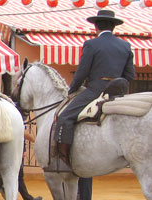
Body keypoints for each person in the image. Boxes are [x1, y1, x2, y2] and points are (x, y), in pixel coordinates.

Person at [53, 11, 135, 199]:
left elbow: (82, 72)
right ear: (113, 27)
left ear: (96, 26)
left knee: (65, 116)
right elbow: (130, 75)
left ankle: (65, 159)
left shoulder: (91, 44)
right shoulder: (125, 45)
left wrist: (72, 89)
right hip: (118, 92)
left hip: (95, 90)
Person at [0, 133, 42, 200]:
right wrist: (35, 140)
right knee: (4, 176)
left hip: (15, 151)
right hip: (14, 151)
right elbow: (24, 133)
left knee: (6, 176)